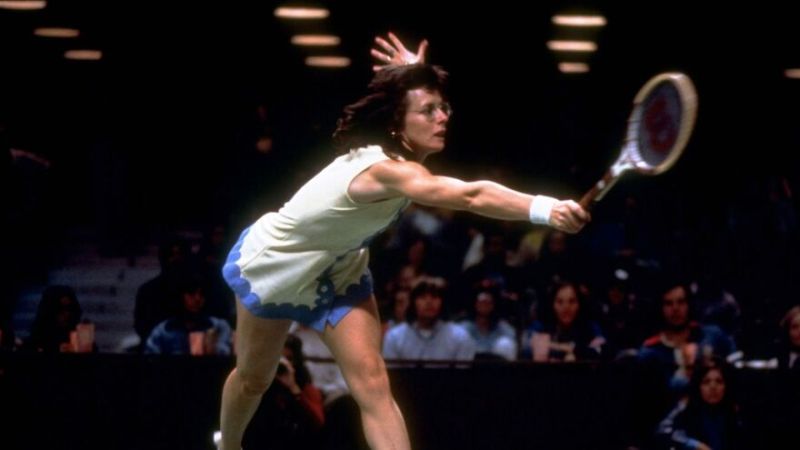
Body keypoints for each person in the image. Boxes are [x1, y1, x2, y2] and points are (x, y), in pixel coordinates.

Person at [217, 32, 590, 450]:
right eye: (428, 110)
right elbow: (472, 195)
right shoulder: (386, 170)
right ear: (397, 122)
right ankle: (228, 445)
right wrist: (546, 208)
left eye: (443, 107)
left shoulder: (402, 164)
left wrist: (413, 74)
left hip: (338, 268)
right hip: (280, 264)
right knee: (254, 378)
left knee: (373, 383)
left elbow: (463, 184)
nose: (442, 116)